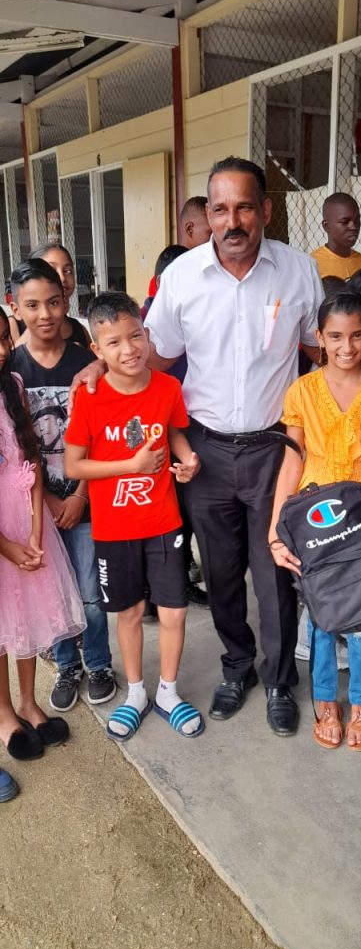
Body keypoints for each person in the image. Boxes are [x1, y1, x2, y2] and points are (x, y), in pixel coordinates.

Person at [68, 156, 361, 738]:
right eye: (220, 209)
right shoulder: (183, 277)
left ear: (265, 211)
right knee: (220, 571)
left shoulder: (297, 271)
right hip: (204, 449)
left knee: (275, 570)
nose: (232, 221)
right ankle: (237, 667)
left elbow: (330, 346)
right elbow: (153, 353)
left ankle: (278, 680)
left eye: (244, 207)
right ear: (209, 214)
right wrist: (99, 366)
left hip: (277, 449)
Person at [64, 292, 204, 742]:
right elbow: (73, 466)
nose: (129, 349)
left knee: (174, 611)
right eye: (114, 342)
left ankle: (168, 693)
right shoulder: (89, 397)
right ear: (97, 350)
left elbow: (175, 430)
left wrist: (187, 459)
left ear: (146, 333)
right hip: (114, 529)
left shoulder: (167, 388)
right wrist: (131, 466)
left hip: (164, 522)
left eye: (136, 336)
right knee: (129, 612)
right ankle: (137, 694)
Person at [269, 292, 361, 751]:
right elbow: (292, 460)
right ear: (320, 338)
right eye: (336, 336)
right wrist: (275, 530)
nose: (347, 347)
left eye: (358, 335)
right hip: (316, 516)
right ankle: (326, 699)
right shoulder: (302, 391)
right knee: (321, 614)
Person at [10, 259, 115, 713]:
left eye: (53, 302)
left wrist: (79, 495)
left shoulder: (87, 363)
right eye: (32, 305)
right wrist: (49, 500)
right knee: (54, 591)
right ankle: (67, 665)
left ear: (66, 300)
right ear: (15, 308)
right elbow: (17, 446)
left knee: (90, 593)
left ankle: (99, 663)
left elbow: (101, 438)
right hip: (37, 506)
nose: (45, 314)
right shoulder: (12, 370)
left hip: (85, 501)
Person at [0, 306, 86, 774]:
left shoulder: (13, 385)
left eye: (2, 338)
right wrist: (6, 546)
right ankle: (4, 713)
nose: (0, 351)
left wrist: (35, 530)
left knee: (28, 613)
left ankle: (29, 702)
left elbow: (29, 459)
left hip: (26, 518)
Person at [143, 245, 208, 608]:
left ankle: (178, 579)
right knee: (159, 513)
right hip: (156, 430)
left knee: (182, 512)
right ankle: (153, 591)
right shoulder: (146, 324)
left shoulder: (201, 309)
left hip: (188, 426)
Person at [9, 244, 91, 349]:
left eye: (67, 271)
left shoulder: (79, 329)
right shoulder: (13, 326)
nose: (62, 278)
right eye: (51, 270)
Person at [311, 194, 361, 281]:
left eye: (357, 220)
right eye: (345, 222)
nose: (353, 227)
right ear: (327, 226)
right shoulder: (313, 264)